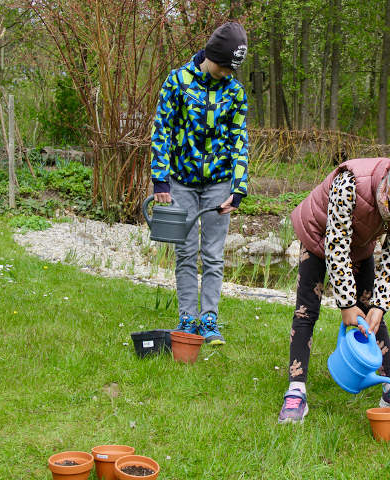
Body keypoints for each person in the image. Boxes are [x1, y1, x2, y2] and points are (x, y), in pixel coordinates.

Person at [278, 148, 390, 424]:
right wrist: (347, 304)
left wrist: (381, 305)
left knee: (372, 313)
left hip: (360, 243)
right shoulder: (351, 183)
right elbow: (336, 246)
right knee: (306, 312)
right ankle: (296, 390)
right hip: (318, 235)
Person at [150, 22, 249, 345]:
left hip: (219, 184)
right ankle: (188, 319)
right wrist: (160, 181)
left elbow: (240, 140)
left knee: (213, 255)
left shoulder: (234, 92)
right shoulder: (177, 82)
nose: (226, 73)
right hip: (180, 183)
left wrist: (238, 187)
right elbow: (162, 130)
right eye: (224, 66)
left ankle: (209, 320)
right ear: (211, 55)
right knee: (186, 251)